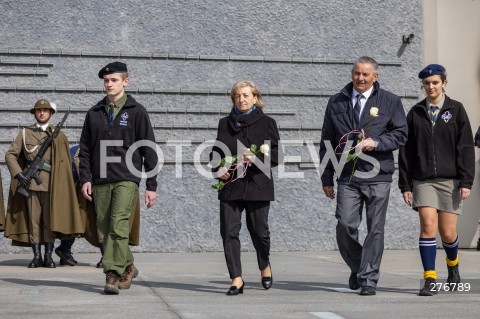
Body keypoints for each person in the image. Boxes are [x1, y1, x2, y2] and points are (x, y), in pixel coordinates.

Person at [319, 56, 408, 296]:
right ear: (352, 74)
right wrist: (326, 177)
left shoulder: (390, 101)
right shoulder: (336, 101)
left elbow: (401, 134)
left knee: (375, 228)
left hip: (379, 174)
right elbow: (326, 140)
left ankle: (368, 279)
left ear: (375, 77)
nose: (360, 78)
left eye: (365, 74)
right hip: (347, 176)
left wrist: (377, 142)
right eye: (357, 73)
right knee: (345, 225)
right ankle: (359, 266)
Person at [79, 61, 158, 295]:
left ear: (125, 81)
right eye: (106, 81)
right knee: (104, 228)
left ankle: (111, 274)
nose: (109, 84)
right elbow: (85, 150)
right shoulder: (94, 113)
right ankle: (129, 266)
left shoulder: (137, 111)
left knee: (119, 224)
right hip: (100, 179)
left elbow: (148, 149)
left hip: (127, 178)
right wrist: (86, 178)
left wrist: (151, 186)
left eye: (114, 80)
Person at [399, 64, 475, 296]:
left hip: (450, 181)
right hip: (423, 180)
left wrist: (466, 181)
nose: (431, 87)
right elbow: (406, 151)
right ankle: (429, 279)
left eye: (435, 82)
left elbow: (465, 148)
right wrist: (405, 184)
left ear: (443, 83)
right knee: (428, 226)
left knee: (448, 233)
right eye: (427, 83)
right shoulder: (415, 113)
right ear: (422, 85)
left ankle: (453, 267)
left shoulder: (457, 110)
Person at [210, 80, 280, 295]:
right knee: (228, 232)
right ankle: (236, 278)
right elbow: (216, 152)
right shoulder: (224, 123)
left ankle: (264, 264)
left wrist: (256, 158)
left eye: (246, 95)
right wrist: (217, 167)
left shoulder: (267, 122)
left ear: (255, 98)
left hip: (257, 186)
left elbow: (276, 156)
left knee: (260, 232)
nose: (241, 99)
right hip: (231, 186)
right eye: (238, 96)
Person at [4, 99, 84, 268]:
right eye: (39, 110)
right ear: (34, 113)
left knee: (49, 221)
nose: (42, 113)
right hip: (31, 184)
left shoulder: (58, 135)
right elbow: (10, 155)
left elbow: (63, 162)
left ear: (50, 113)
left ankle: (48, 256)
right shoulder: (25, 134)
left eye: (45, 110)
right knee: (33, 220)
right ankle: (36, 256)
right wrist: (19, 174)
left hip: (52, 185)